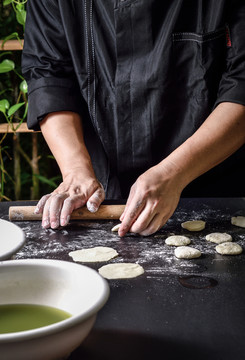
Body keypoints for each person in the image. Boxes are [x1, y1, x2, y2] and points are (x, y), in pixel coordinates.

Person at [22, 0, 245, 237]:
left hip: (215, 193)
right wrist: (75, 170)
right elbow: (48, 76)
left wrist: (174, 172)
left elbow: (240, 83)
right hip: (103, 196)